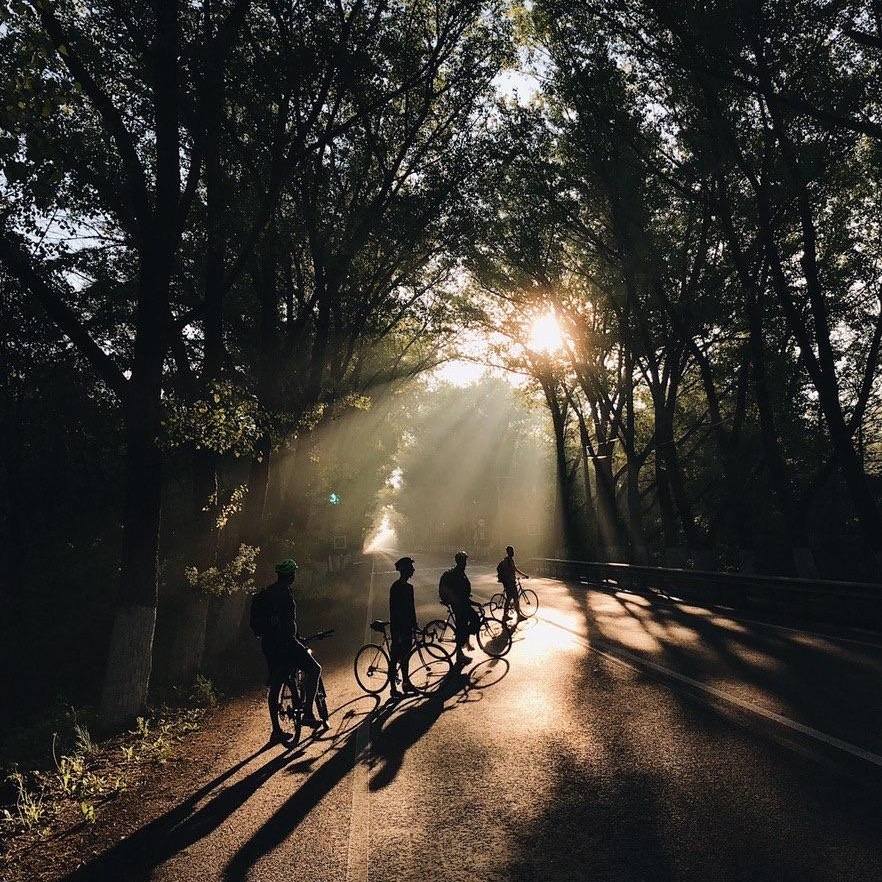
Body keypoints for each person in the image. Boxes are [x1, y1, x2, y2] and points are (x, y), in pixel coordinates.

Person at [251, 558, 323, 744]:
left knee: (276, 683)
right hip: (286, 643)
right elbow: (289, 622)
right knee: (315, 670)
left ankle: (276, 730)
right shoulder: (284, 593)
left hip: (269, 644)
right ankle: (307, 712)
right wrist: (295, 638)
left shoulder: (269, 592)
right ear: (290, 575)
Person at [438, 550, 477, 665]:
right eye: (464, 561)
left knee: (469, 623)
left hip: (463, 603)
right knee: (468, 624)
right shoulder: (456, 574)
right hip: (459, 605)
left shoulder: (460, 572)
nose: (465, 563)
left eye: (465, 561)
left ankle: (464, 639)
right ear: (460, 562)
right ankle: (460, 653)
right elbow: (459, 593)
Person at [389, 556, 418, 698]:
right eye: (410, 568)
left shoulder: (409, 587)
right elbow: (394, 611)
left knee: (406, 657)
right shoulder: (396, 587)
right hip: (398, 629)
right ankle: (393, 688)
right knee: (394, 658)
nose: (413, 570)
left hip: (407, 628)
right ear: (405, 570)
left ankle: (406, 683)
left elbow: (411, 609)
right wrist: (398, 632)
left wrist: (415, 625)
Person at [497, 545, 529, 623]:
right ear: (510, 552)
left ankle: (505, 616)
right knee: (515, 599)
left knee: (509, 599)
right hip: (510, 583)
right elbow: (515, 570)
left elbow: (514, 570)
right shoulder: (509, 561)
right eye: (512, 551)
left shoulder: (508, 560)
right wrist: (524, 575)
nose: (513, 553)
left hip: (508, 582)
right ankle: (518, 616)